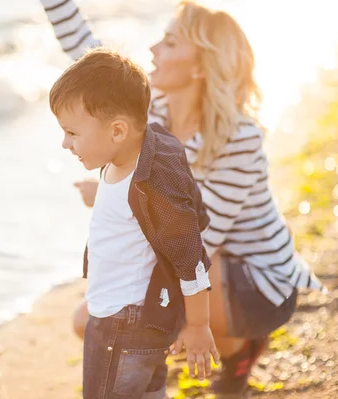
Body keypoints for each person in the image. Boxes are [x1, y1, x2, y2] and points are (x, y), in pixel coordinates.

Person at [40, 0, 323, 395]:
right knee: (103, 317)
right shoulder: (151, 109)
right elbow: (89, 58)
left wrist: (118, 201)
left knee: (106, 318)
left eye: (170, 42)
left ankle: (237, 341)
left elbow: (199, 242)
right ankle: (222, 346)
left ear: (199, 65)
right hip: (211, 261)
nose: (154, 49)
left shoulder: (238, 137)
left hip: (258, 279)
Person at [50, 47, 219, 399]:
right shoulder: (133, 155)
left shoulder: (152, 182)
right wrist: (101, 194)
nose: (65, 143)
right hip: (136, 322)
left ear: (116, 131)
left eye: (72, 133)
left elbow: (190, 255)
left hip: (121, 325)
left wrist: (199, 324)